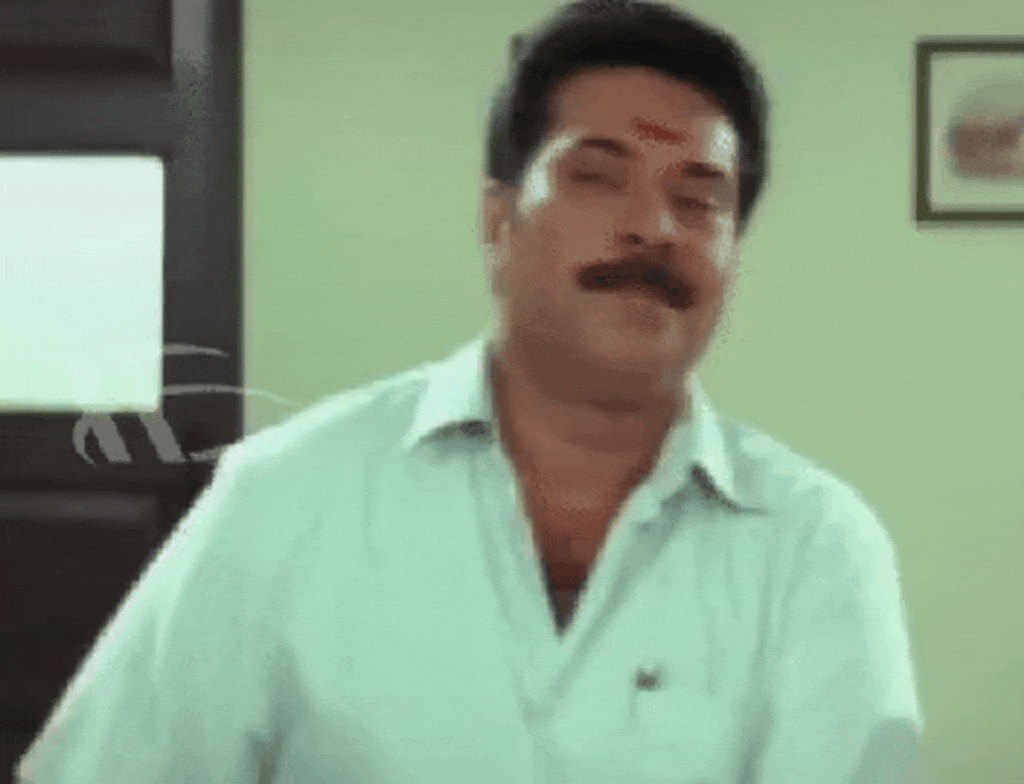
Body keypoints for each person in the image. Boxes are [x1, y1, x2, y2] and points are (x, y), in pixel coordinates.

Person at [15, 1, 926, 783]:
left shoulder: (816, 549)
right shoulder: (286, 497)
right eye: (597, 175)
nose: (654, 226)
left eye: (701, 198)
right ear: (499, 222)